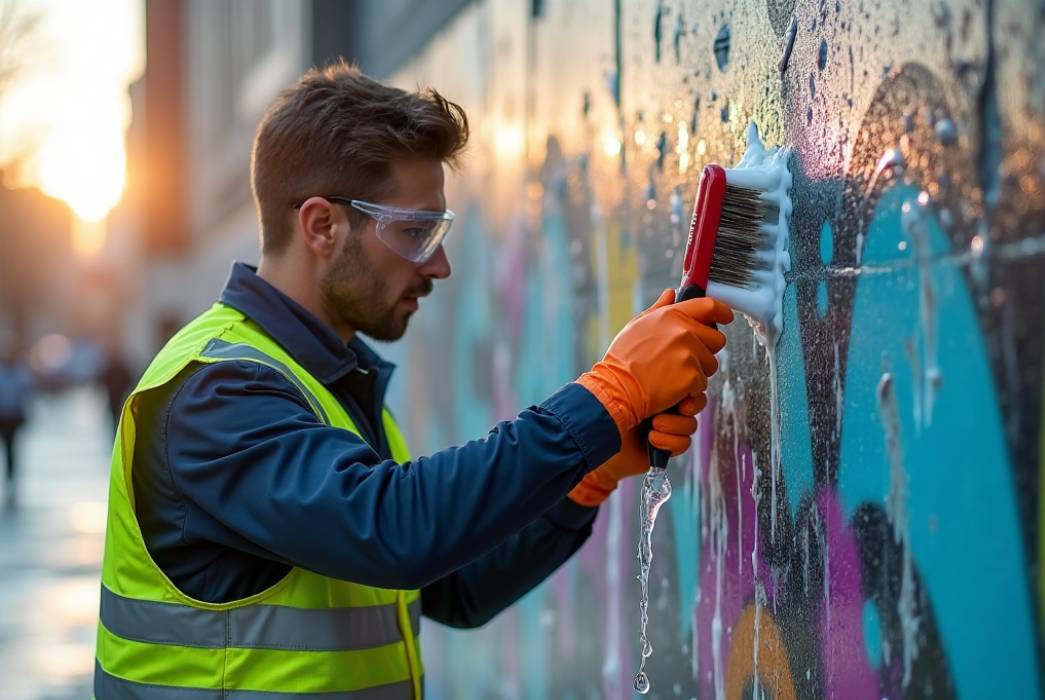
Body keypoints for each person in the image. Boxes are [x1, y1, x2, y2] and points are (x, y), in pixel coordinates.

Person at [93, 60, 733, 698]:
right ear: (321, 227)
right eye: (417, 232)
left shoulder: (323, 385)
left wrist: (586, 480)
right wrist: (607, 395)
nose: (441, 265)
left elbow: (456, 590)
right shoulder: (217, 390)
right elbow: (397, 531)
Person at [0, 337, 32, 506]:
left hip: (13, 417)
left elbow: (27, 391)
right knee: (8, 448)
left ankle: (10, 478)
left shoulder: (20, 372)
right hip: (3, 416)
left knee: (11, 448)